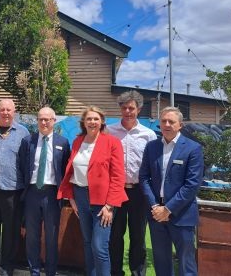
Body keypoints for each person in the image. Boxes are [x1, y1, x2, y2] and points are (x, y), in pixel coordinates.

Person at [58, 106, 127, 276]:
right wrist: (72, 199)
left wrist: (110, 205)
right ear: (84, 122)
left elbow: (118, 176)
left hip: (103, 201)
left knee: (99, 246)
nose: (92, 122)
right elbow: (71, 171)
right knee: (88, 242)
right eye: (89, 119)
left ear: (102, 121)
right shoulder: (77, 142)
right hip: (80, 197)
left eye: (96, 119)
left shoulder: (112, 142)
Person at [139, 107, 204, 276]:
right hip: (156, 214)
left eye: (171, 121)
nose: (166, 124)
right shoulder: (151, 147)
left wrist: (167, 209)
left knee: (185, 262)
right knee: (161, 261)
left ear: (180, 125)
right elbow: (144, 178)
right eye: (163, 121)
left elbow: (192, 185)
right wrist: (155, 206)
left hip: (181, 214)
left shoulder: (193, 148)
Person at [108, 91, 157, 276]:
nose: (128, 111)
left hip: (139, 192)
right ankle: (115, 272)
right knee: (115, 235)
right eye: (124, 108)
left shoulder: (149, 135)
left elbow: (154, 166)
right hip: (116, 191)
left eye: (131, 108)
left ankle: (137, 272)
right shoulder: (110, 132)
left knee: (137, 236)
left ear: (139, 109)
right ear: (120, 109)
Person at [18, 107, 70, 276]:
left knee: (52, 236)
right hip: (32, 193)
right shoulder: (28, 141)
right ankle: (34, 271)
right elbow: (22, 167)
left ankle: (50, 271)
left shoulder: (62, 142)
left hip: (52, 194)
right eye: (41, 119)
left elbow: (65, 170)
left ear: (54, 121)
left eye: (48, 119)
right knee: (32, 236)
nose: (44, 122)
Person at [0, 99, 30, 276]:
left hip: (13, 189)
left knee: (11, 230)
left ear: (14, 112)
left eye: (9, 110)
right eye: (2, 110)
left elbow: (26, 162)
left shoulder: (23, 133)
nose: (6, 113)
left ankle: (7, 265)